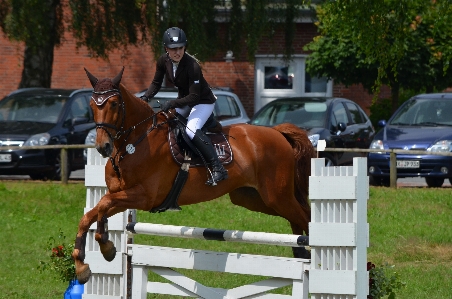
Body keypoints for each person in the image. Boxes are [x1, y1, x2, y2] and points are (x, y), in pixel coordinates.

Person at [140, 27, 228, 186]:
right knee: (168, 123)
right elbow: (155, 83)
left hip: (203, 101)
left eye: (180, 48)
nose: (177, 52)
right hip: (186, 101)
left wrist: (172, 103)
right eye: (173, 49)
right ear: (166, 49)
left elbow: (194, 96)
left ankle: (218, 168)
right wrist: (145, 97)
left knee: (191, 129)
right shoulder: (163, 61)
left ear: (184, 47)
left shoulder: (192, 66)